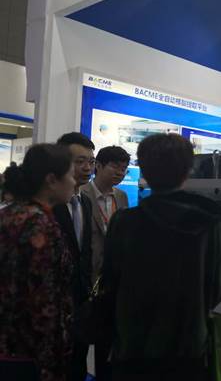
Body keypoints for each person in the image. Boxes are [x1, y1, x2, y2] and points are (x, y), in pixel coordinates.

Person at [102, 133, 221, 381]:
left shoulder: (125, 222)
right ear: (188, 170)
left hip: (132, 346)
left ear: (144, 171)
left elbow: (110, 280)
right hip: (187, 347)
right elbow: (218, 286)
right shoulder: (208, 224)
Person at [0, 144, 76, 381]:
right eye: (70, 175)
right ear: (51, 180)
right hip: (30, 352)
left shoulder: (8, 213)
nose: (74, 182)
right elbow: (43, 298)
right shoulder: (41, 225)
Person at [80, 146, 129, 381]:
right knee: (84, 338)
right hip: (89, 275)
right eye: (115, 167)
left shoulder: (122, 197)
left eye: (124, 168)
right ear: (98, 166)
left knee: (108, 341)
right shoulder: (81, 195)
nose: (120, 172)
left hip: (114, 279)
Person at [53, 132, 95, 381]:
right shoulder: (48, 205)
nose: (87, 167)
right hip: (53, 306)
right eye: (80, 161)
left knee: (78, 363)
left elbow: (84, 252)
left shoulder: (85, 202)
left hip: (81, 302)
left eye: (91, 161)